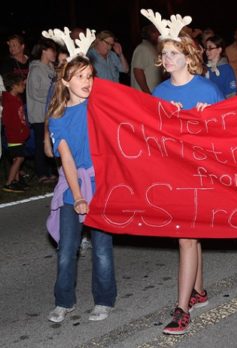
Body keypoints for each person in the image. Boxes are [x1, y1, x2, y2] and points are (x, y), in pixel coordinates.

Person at [150, 15, 224, 334]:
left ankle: (182, 310)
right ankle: (199, 291)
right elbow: (150, 138)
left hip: (201, 174)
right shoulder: (159, 92)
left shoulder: (207, 89)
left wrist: (209, 121)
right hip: (172, 172)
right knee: (190, 237)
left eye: (174, 53)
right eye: (164, 53)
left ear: (188, 56)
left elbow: (226, 136)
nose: (168, 59)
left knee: (186, 238)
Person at [46, 53, 117, 323]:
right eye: (80, 77)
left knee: (101, 247)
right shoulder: (58, 117)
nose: (87, 81)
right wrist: (77, 197)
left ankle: (104, 300)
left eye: (90, 76)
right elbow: (66, 160)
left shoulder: (99, 106)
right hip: (73, 186)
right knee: (66, 250)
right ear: (66, 81)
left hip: (101, 185)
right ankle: (64, 301)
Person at [26, 37, 58, 183]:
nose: (55, 54)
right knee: (41, 144)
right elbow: (34, 93)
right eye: (52, 50)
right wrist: (52, 98)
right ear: (44, 51)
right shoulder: (35, 69)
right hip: (39, 114)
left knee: (51, 143)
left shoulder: (51, 68)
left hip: (51, 113)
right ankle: (41, 174)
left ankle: (52, 171)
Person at [1, 72, 29, 192]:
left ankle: (17, 181)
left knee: (16, 159)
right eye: (22, 84)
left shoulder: (16, 99)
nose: (24, 86)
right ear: (14, 86)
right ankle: (9, 183)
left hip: (19, 135)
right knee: (19, 158)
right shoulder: (9, 102)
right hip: (14, 136)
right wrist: (19, 131)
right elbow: (7, 121)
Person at [130, 24, 161, 93]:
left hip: (153, 94)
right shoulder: (142, 48)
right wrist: (147, 93)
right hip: (143, 95)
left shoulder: (152, 48)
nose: (159, 35)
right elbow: (138, 71)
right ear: (152, 34)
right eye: (157, 33)